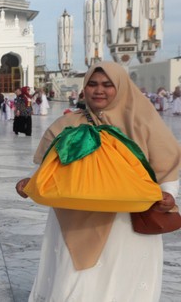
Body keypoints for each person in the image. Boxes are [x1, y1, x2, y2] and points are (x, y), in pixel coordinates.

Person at [15, 61, 180, 301]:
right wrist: (30, 184)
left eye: (107, 84)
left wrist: (168, 193)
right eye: (92, 84)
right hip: (74, 219)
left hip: (125, 222)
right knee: (74, 282)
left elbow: (166, 167)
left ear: (121, 87)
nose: (98, 90)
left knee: (120, 282)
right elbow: (50, 169)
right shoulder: (68, 124)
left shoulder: (142, 122)